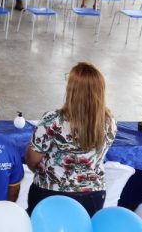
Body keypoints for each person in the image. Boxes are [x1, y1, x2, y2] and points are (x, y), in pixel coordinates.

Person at [26, 62, 117, 216]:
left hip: (50, 192)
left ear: (72, 89)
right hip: (93, 195)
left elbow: (32, 159)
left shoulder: (53, 120)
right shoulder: (109, 121)